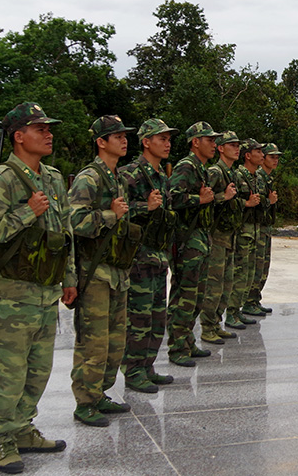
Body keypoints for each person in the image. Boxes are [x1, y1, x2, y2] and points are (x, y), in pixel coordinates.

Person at [0, 103, 76, 473]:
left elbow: (64, 232)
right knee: (8, 373)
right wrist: (27, 211)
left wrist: (70, 278)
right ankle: (3, 440)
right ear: (18, 136)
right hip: (13, 294)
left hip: (46, 292)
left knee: (38, 370)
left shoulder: (54, 178)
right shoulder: (1, 179)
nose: (49, 134)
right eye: (40, 129)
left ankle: (24, 428)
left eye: (49, 128)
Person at [69, 115, 140, 427]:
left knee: (115, 341)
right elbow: (74, 223)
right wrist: (110, 216)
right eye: (117, 136)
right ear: (101, 142)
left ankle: (99, 394)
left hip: (117, 271)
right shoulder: (89, 178)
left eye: (125, 136)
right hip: (94, 271)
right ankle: (84, 402)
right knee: (94, 343)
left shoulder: (118, 178)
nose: (124, 140)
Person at [119, 118, 179, 393]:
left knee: (157, 318)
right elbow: (116, 211)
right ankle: (133, 371)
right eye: (162, 139)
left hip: (158, 256)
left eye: (169, 139)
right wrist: (144, 206)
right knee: (138, 319)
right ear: (146, 142)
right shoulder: (129, 174)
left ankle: (148, 366)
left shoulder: (162, 177)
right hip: (138, 259)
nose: (167, 144)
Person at [166, 121, 219, 367]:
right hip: (187, 240)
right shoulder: (186, 166)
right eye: (209, 140)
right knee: (184, 295)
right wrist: (199, 199)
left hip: (200, 238)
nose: (214, 144)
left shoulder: (202, 168)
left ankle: (187, 341)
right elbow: (172, 198)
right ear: (195, 142)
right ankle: (177, 348)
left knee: (196, 296)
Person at [198, 131, 241, 344]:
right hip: (216, 236)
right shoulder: (215, 172)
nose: (237, 148)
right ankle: (207, 327)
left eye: (238, 145)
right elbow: (202, 199)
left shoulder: (231, 173)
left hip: (228, 236)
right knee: (213, 285)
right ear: (222, 149)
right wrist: (222, 196)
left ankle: (216, 323)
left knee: (227, 284)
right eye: (232, 145)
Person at [224, 139, 263, 329]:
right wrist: (246, 203)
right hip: (241, 231)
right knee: (239, 272)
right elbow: (230, 201)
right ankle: (231, 312)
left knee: (248, 272)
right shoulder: (238, 175)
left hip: (253, 230)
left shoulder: (255, 177)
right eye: (258, 152)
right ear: (249, 156)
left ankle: (238, 309)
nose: (262, 155)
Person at [245, 143, 281, 316]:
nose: (275, 160)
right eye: (271, 156)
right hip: (258, 226)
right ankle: (249, 301)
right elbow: (257, 204)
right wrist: (269, 201)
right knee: (257, 265)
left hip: (265, 227)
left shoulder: (267, 178)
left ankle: (255, 299)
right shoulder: (258, 177)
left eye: (277, 157)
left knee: (264, 265)